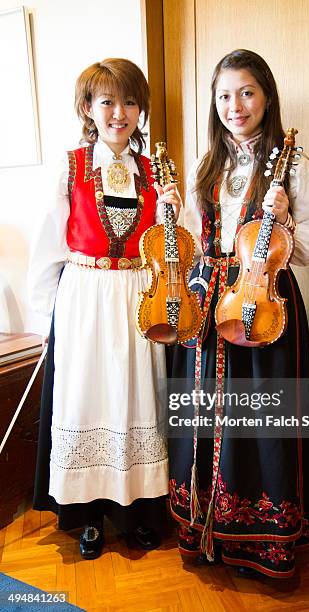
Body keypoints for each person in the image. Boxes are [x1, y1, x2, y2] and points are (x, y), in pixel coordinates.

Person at [168, 49, 309, 578]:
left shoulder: (294, 166)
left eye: (246, 92)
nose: (234, 105)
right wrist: (173, 217)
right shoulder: (208, 165)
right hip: (208, 305)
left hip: (264, 306)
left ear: (267, 96)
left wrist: (285, 226)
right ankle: (204, 532)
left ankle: (262, 543)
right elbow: (198, 241)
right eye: (223, 95)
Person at [28, 58, 181, 559]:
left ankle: (140, 512)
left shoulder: (157, 171)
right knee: (89, 398)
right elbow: (49, 244)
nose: (120, 112)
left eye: (131, 101)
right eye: (108, 101)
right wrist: (44, 317)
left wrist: (178, 211)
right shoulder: (71, 166)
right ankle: (88, 515)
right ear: (87, 108)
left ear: (141, 110)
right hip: (86, 296)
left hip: (138, 295)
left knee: (140, 399)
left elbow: (176, 243)